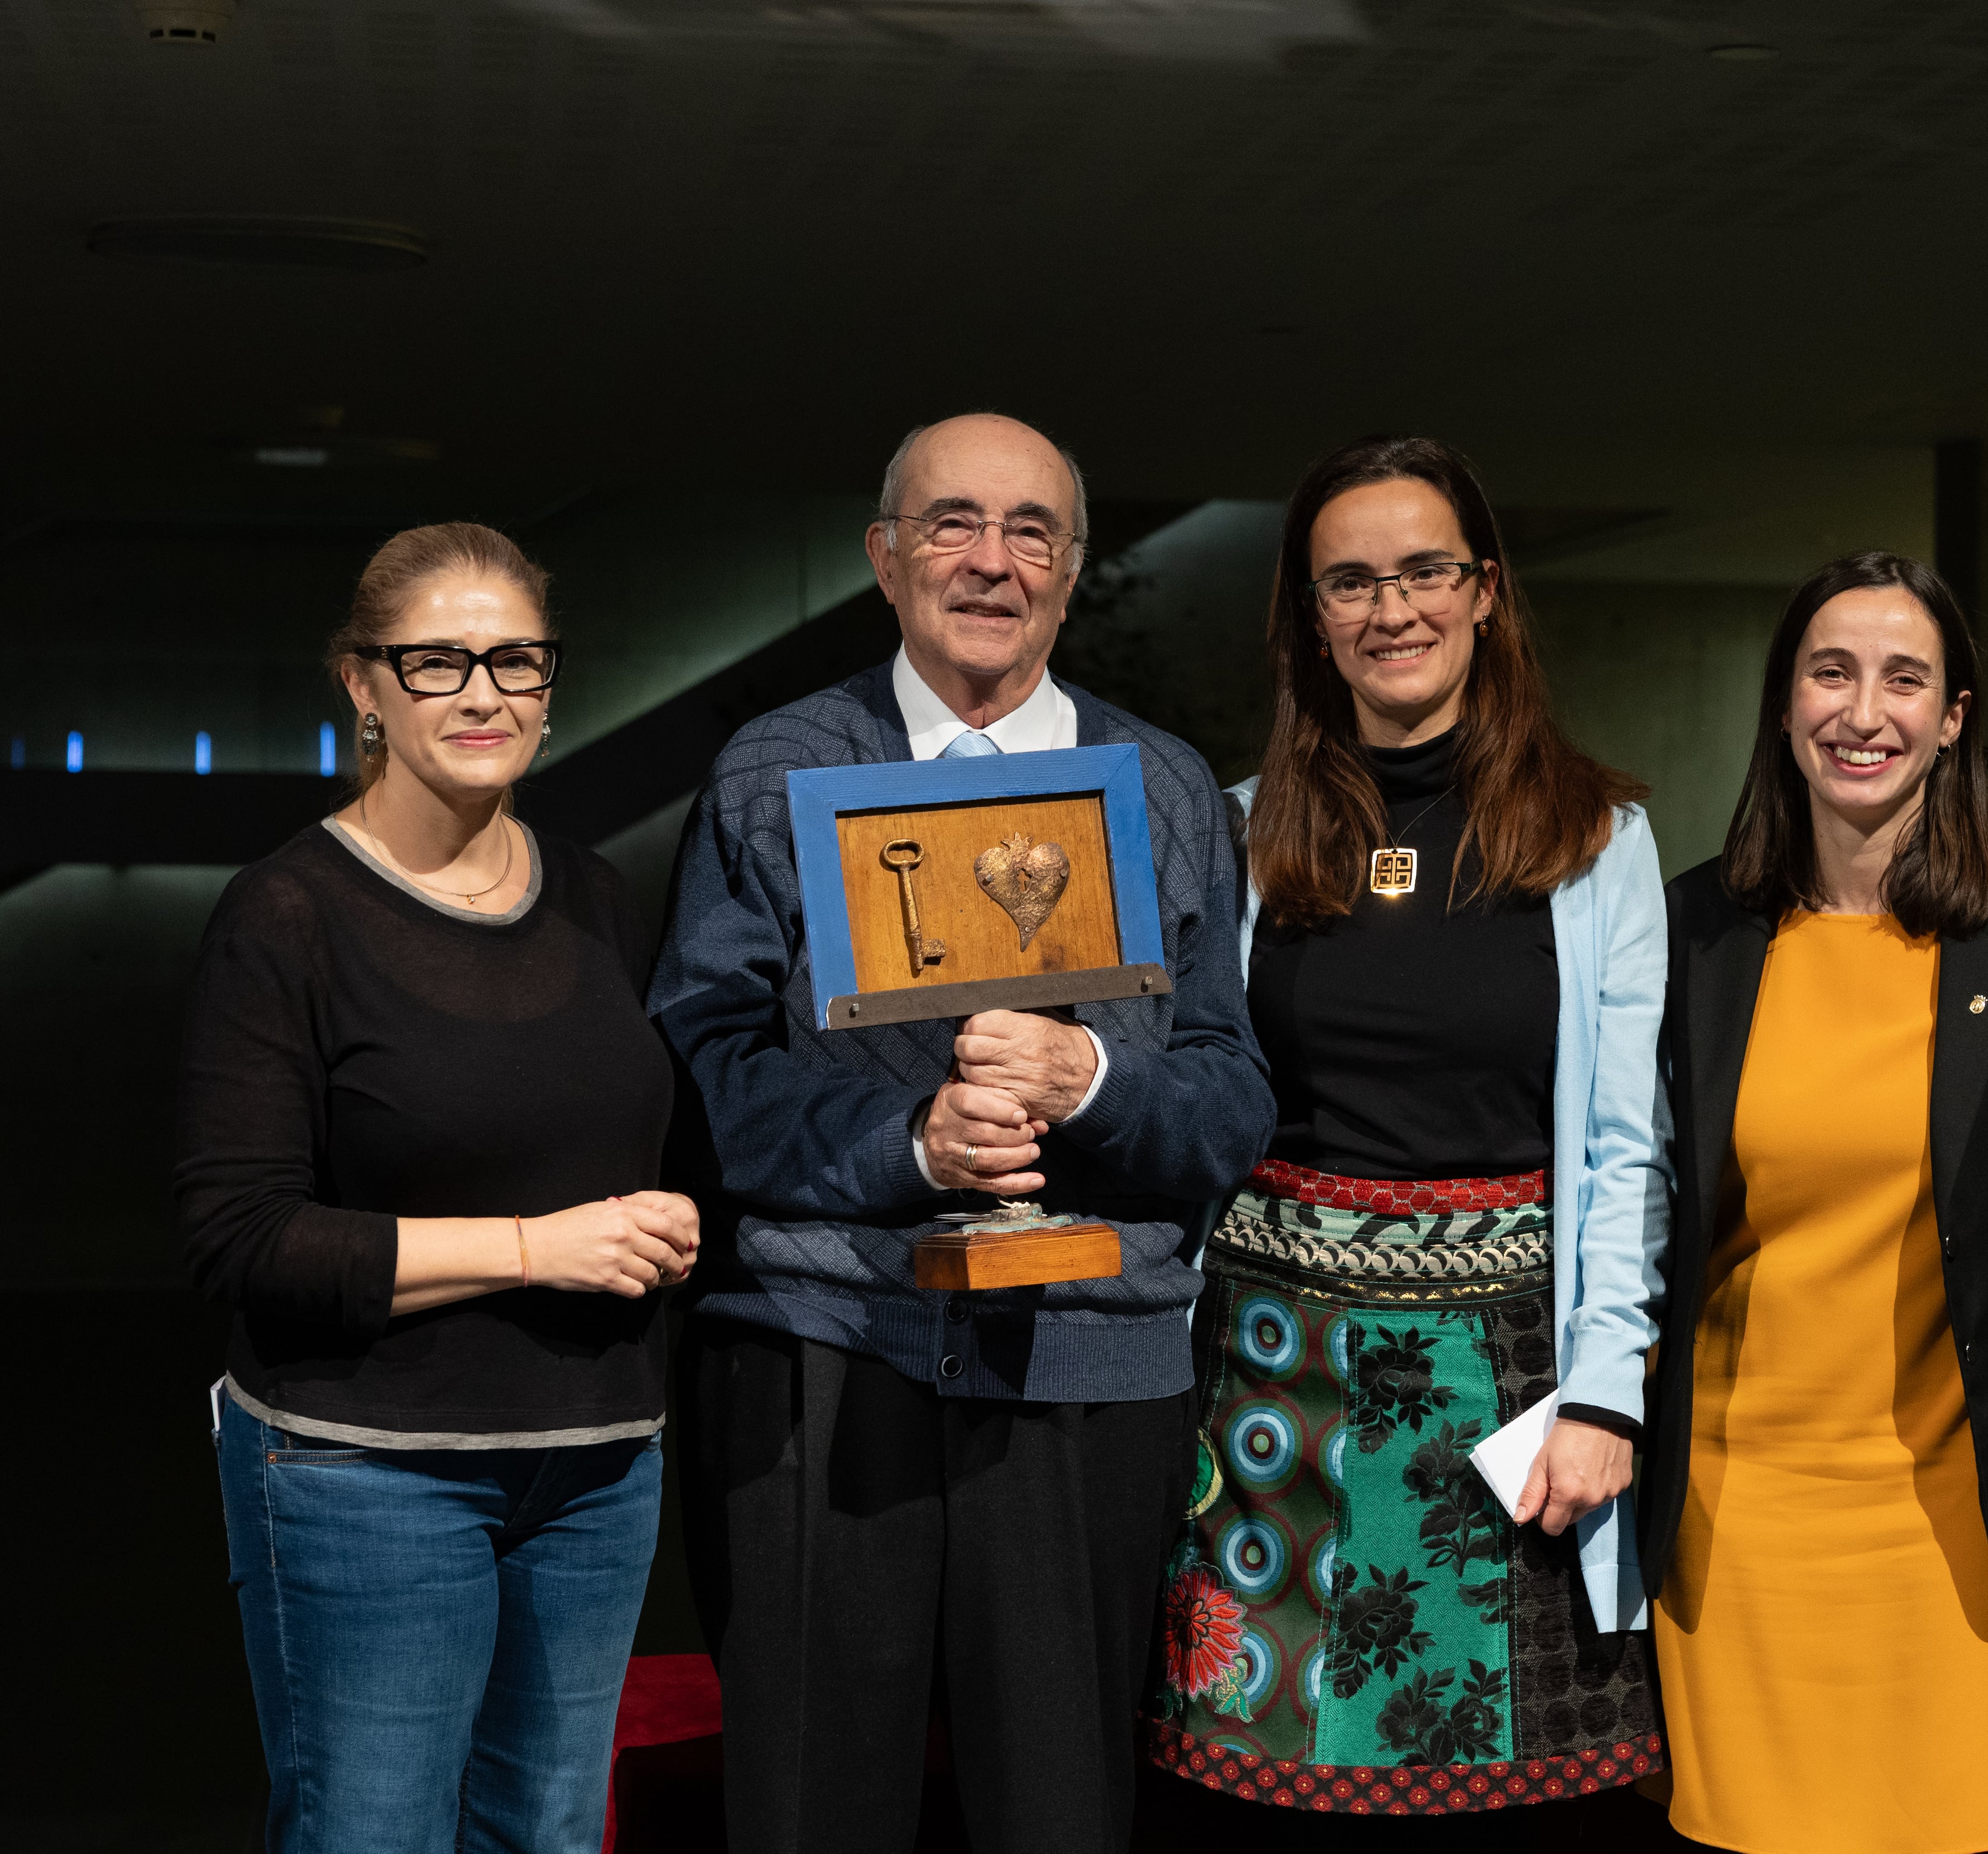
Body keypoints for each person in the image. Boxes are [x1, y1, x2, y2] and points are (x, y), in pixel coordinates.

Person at [649, 413, 1275, 1854]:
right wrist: (910, 1145)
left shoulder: (1167, 785)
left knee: (1060, 1812)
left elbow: (1232, 1098)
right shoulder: (775, 767)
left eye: (1031, 530)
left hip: (1087, 1369)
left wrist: (1097, 1079)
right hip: (819, 1357)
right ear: (883, 557)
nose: (991, 560)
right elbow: (703, 1063)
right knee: (810, 1810)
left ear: (1071, 571)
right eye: (951, 523)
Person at [1143, 434, 1669, 1833]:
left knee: (1516, 1801)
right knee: (1261, 1791)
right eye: (1352, 582)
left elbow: (1625, 1146)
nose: (1394, 609)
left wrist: (1610, 1391)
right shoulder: (1236, 835)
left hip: (1512, 1394)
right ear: (1310, 616)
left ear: (1485, 589)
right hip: (1267, 1389)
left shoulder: (1598, 841)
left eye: (1426, 570)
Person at [180, 522, 701, 1854]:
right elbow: (243, 1237)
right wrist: (539, 1247)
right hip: (367, 1474)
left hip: (595, 1469)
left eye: (516, 659)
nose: (483, 693)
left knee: (548, 1834)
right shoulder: (285, 914)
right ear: (361, 684)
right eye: (437, 663)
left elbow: (652, 1140)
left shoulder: (599, 894)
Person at [1639, 552, 1988, 1852]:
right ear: (1783, 704)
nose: (1864, 711)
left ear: (1953, 716)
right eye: (1830, 672)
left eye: (1907, 678)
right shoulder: (1693, 931)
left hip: (1963, 1514)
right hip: (1742, 1518)